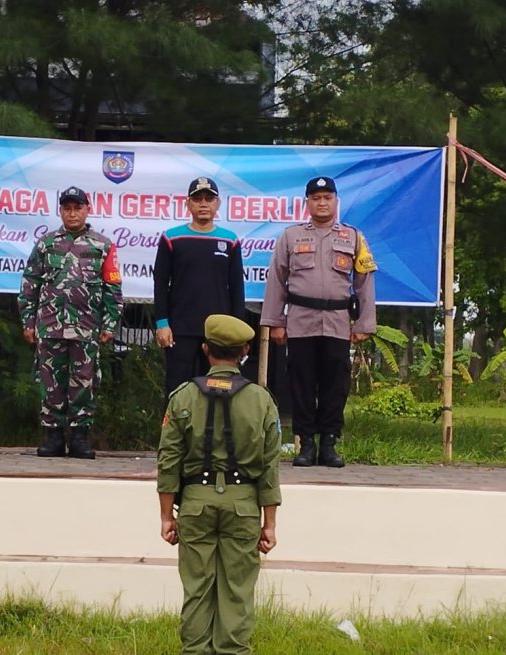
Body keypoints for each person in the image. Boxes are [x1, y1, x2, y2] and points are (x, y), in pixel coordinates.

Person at [157, 314, 281, 655]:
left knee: (197, 588)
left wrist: (167, 516)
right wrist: (269, 523)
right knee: (237, 590)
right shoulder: (261, 400)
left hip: (195, 503)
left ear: (205, 349)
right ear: (244, 351)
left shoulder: (182, 397)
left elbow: (168, 461)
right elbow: (270, 467)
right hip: (243, 506)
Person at [260, 176, 377, 468]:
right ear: (307, 203)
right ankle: (305, 444)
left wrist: (364, 323)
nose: (322, 203)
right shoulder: (290, 236)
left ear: (336, 202)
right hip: (300, 321)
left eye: (327, 197)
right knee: (301, 383)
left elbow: (364, 282)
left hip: (338, 323)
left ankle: (329, 443)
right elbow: (276, 280)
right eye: (316, 198)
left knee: (335, 385)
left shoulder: (353, 237)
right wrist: (275, 321)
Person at [18, 185, 123, 459]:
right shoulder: (46, 243)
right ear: (60, 211)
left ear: (87, 209)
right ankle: (52, 436)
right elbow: (31, 283)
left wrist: (110, 324)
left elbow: (112, 287)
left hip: (86, 327)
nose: (73, 213)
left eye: (78, 208)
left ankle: (79, 437)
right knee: (50, 382)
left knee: (84, 382)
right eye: (67, 208)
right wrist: (28, 320)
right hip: (50, 326)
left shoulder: (102, 245)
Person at [153, 176, 246, 397]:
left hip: (218, 333)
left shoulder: (230, 240)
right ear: (188, 204)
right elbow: (160, 283)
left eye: (208, 199)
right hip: (180, 330)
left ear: (217, 204)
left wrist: (238, 333)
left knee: (218, 390)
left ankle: (211, 433)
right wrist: (162, 323)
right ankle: (174, 432)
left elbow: (236, 288)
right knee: (177, 390)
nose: (203, 204)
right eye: (197, 199)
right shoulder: (171, 238)